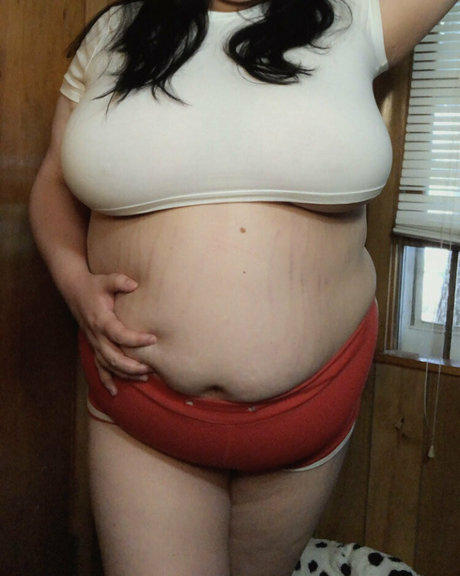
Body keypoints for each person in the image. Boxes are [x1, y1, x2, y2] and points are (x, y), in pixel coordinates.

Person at [29, 0, 456, 575]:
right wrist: (73, 281)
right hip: (141, 403)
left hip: (313, 400)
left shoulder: (357, 17)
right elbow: (55, 180)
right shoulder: (116, 29)